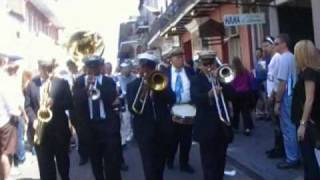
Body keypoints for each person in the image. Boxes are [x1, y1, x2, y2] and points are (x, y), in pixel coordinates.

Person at [127, 52, 175, 180]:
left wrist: (161, 89)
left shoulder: (161, 81)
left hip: (163, 130)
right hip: (144, 132)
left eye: (151, 68)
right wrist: (143, 92)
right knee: (149, 166)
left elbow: (172, 99)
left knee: (160, 165)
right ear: (140, 69)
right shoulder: (132, 86)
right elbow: (133, 110)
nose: (147, 72)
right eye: (145, 68)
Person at [72, 56, 122, 180]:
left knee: (112, 162)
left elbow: (111, 98)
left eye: (95, 66)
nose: (92, 69)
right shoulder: (79, 82)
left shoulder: (108, 81)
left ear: (100, 67)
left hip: (108, 126)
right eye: (90, 67)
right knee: (96, 162)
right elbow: (76, 102)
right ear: (86, 67)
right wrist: (86, 88)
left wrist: (96, 85)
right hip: (90, 128)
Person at [24, 58, 74, 180]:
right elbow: (28, 105)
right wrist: (34, 119)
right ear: (40, 68)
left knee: (63, 163)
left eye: (50, 69)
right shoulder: (31, 84)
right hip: (40, 131)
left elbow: (70, 103)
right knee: (45, 168)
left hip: (59, 131)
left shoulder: (62, 83)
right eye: (45, 69)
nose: (48, 72)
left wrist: (55, 102)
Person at [190, 51, 230, 180]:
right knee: (208, 163)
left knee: (221, 160)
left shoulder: (220, 76)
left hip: (222, 126)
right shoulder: (196, 79)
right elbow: (195, 98)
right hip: (206, 128)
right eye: (205, 64)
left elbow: (232, 95)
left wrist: (222, 81)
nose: (209, 67)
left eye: (211, 63)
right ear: (200, 65)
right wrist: (209, 94)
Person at [292, 40, 320, 179]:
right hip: (309, 120)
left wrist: (303, 124)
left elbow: (309, 99)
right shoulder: (312, 71)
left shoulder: (308, 73)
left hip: (308, 122)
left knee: (310, 158)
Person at [165, 48, 195, 173]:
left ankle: (184, 163)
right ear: (170, 59)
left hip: (188, 108)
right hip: (171, 109)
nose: (180, 59)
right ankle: (170, 159)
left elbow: (194, 86)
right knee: (172, 139)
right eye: (176, 57)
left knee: (186, 140)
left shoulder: (189, 71)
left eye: (181, 57)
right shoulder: (165, 73)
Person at [274, 34, 300, 169]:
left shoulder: (284, 58)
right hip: (293, 94)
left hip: (287, 96)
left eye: (277, 43)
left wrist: (277, 101)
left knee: (288, 128)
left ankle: (292, 158)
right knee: (293, 126)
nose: (275, 46)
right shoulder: (292, 57)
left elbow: (282, 82)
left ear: (284, 44)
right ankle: (296, 155)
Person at [262, 36, 285, 159]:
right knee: (275, 124)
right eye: (263, 46)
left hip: (274, 96)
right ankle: (277, 147)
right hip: (271, 95)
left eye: (266, 45)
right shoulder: (271, 59)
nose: (264, 48)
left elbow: (278, 79)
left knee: (278, 125)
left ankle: (280, 149)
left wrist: (273, 95)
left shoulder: (277, 58)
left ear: (272, 45)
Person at [0, 59, 21, 180]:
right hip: (4, 120)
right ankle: (6, 177)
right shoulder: (3, 78)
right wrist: (17, 113)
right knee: (5, 154)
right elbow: (9, 101)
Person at [230, 57, 254, 136]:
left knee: (236, 111)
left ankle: (235, 127)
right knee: (245, 111)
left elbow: (232, 84)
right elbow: (249, 81)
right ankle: (247, 128)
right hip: (246, 93)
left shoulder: (233, 72)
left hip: (237, 94)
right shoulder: (245, 70)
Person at [254, 48, 268, 119]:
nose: (256, 54)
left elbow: (262, 73)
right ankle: (261, 113)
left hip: (262, 82)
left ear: (261, 53)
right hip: (258, 82)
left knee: (264, 98)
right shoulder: (257, 61)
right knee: (261, 98)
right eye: (256, 52)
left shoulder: (262, 61)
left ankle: (266, 113)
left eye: (258, 52)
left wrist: (262, 81)